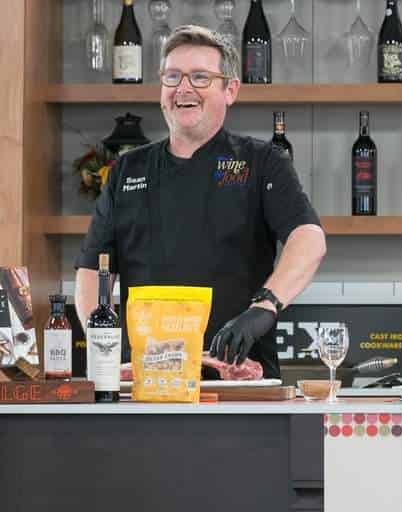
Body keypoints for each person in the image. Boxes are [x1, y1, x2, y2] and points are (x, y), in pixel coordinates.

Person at [74, 26, 326, 379]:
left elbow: (309, 238)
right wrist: (105, 349)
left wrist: (264, 308)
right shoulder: (127, 170)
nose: (184, 88)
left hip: (239, 381)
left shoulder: (262, 161)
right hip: (147, 384)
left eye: (200, 77)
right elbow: (91, 272)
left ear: (230, 90)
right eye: (173, 76)